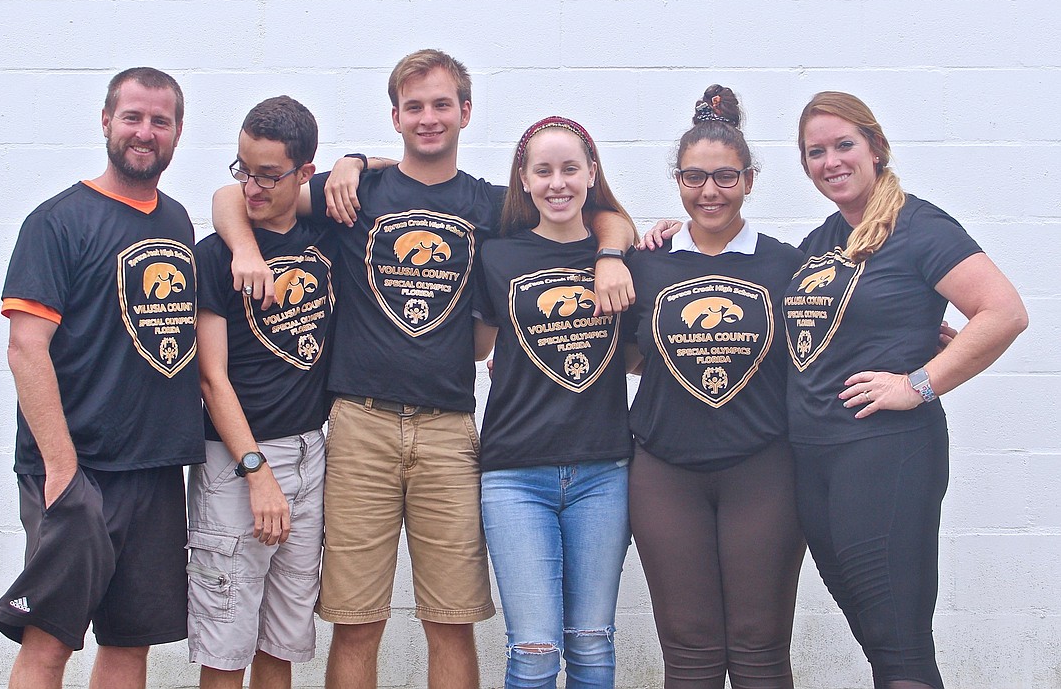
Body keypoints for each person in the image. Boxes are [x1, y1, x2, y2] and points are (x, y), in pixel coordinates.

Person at [212, 50, 636, 689]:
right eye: (415, 106)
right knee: (356, 621)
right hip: (360, 425)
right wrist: (250, 244)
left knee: (451, 619)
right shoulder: (351, 192)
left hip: (449, 432)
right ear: (395, 116)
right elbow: (235, 193)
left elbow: (602, 210)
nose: (429, 117)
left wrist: (610, 255)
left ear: (466, 112)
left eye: (442, 104)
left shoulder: (493, 205)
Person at [784, 92, 1027, 688]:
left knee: (899, 643)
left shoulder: (918, 226)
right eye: (816, 152)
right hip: (816, 461)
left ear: (876, 148)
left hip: (886, 455)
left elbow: (1004, 312)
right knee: (877, 637)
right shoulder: (822, 241)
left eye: (844, 145)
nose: (831, 161)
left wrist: (918, 384)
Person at [0, 67, 203, 689]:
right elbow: (26, 348)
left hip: (155, 471)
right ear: (106, 121)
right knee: (49, 643)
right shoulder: (57, 222)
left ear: (178, 133)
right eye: (132, 117)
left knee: (129, 647)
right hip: (76, 470)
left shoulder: (178, 221)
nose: (145, 131)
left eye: (159, 121)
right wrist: (61, 470)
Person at [624, 86, 807, 688]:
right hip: (664, 470)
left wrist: (915, 331)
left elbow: (839, 322)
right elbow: (621, 353)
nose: (710, 192)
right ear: (677, 180)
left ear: (750, 180)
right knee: (690, 650)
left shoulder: (786, 264)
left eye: (725, 177)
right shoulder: (645, 263)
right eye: (695, 177)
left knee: (759, 648)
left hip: (764, 468)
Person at [473, 116, 636, 688]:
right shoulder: (496, 256)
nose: (557, 182)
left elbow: (641, 353)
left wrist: (620, 249)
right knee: (534, 650)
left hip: (603, 470)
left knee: (592, 646)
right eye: (543, 170)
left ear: (592, 173)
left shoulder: (622, 256)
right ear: (523, 178)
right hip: (515, 474)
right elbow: (476, 345)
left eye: (570, 168)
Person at [189, 96, 335, 689]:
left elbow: (391, 168)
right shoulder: (214, 254)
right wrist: (256, 472)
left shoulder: (326, 232)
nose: (251, 186)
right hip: (239, 461)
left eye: (269, 175)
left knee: (283, 639)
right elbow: (209, 377)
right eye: (242, 169)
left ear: (305, 173)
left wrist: (353, 161)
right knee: (227, 641)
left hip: (311, 452)